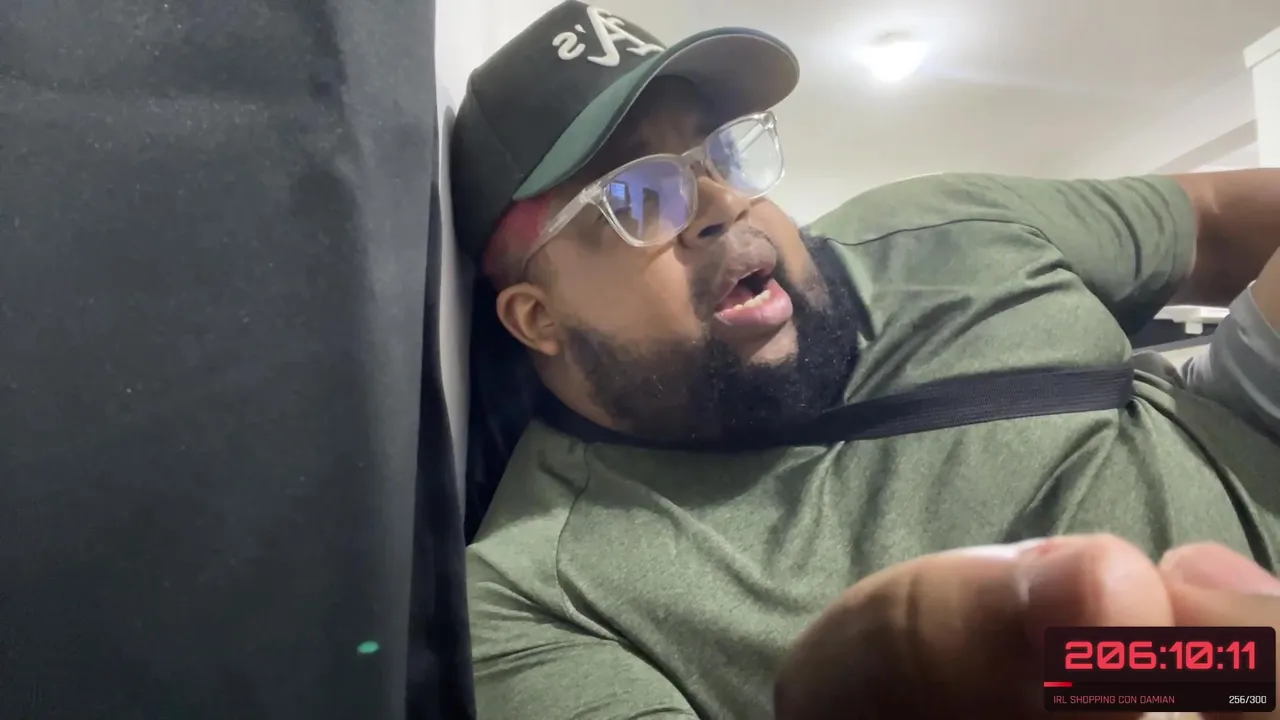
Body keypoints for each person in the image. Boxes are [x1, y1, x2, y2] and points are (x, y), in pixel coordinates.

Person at [448, 2, 1280, 718]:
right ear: (537, 317)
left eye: (723, 155)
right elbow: (1204, 673)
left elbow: (1208, 218)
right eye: (637, 196)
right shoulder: (536, 599)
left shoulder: (947, 218)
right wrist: (1233, 670)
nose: (725, 202)